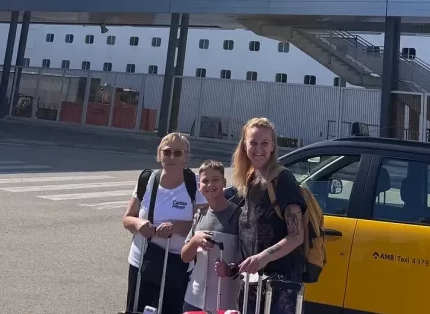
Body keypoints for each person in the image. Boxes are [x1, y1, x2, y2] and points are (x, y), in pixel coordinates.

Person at [222, 117, 306, 314]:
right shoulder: (251, 178)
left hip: (279, 286)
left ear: (273, 146)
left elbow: (297, 236)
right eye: (253, 142)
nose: (258, 148)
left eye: (264, 143)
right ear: (244, 145)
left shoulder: (282, 179)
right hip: (253, 282)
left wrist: (262, 258)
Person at [122, 133, 205, 314]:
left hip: (178, 265)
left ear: (185, 157)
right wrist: (138, 224)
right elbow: (127, 218)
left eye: (178, 153)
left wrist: (175, 227)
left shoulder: (195, 184)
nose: (171, 157)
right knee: (137, 310)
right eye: (167, 152)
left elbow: (204, 224)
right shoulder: (148, 180)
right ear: (159, 155)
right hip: (142, 263)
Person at [180, 160, 241, 313]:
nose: (210, 184)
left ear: (224, 183)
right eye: (205, 181)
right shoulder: (200, 215)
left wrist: (230, 269)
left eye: (215, 180)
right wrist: (194, 241)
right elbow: (185, 257)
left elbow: (247, 257)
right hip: (195, 298)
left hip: (226, 300)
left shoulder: (238, 215)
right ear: (199, 186)